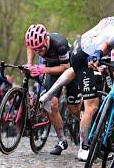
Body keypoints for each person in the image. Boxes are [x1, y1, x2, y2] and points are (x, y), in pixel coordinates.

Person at [39, 17, 114, 161]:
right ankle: (83, 148)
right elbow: (106, 45)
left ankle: (50, 92)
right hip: (86, 55)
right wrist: (98, 55)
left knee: (76, 69)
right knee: (91, 106)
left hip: (78, 46)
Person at [24, 24, 82, 155]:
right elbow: (29, 47)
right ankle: (62, 141)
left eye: (40, 48)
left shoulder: (59, 43)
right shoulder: (34, 42)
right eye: (35, 49)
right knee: (51, 105)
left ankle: (90, 129)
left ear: (45, 40)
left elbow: (65, 67)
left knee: (74, 109)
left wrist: (43, 69)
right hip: (53, 69)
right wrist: (29, 64)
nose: (38, 51)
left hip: (70, 68)